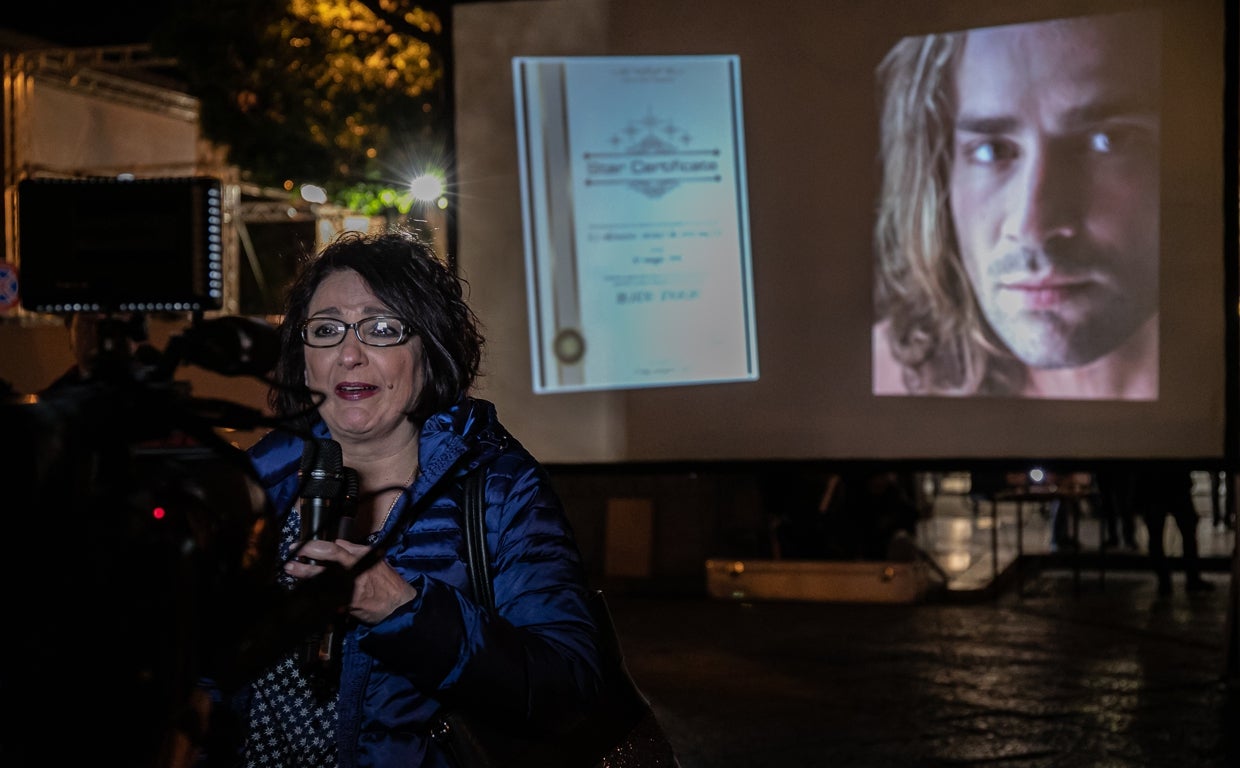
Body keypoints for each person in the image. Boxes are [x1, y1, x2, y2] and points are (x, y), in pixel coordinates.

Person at [224, 229, 603, 766]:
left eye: (382, 329)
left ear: (429, 348)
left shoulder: (497, 490)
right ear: (302, 355)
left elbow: (568, 687)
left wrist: (404, 609)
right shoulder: (253, 485)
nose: (349, 355)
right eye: (327, 329)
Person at [872, 10, 1160, 399]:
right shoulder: (895, 378)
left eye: (1107, 141)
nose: (1032, 226)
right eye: (993, 150)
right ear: (941, 173)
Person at [1133, 465, 1214, 596]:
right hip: (1175, 483)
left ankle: (1165, 581)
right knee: (1187, 534)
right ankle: (1191, 578)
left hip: (1153, 486)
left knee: (1156, 537)